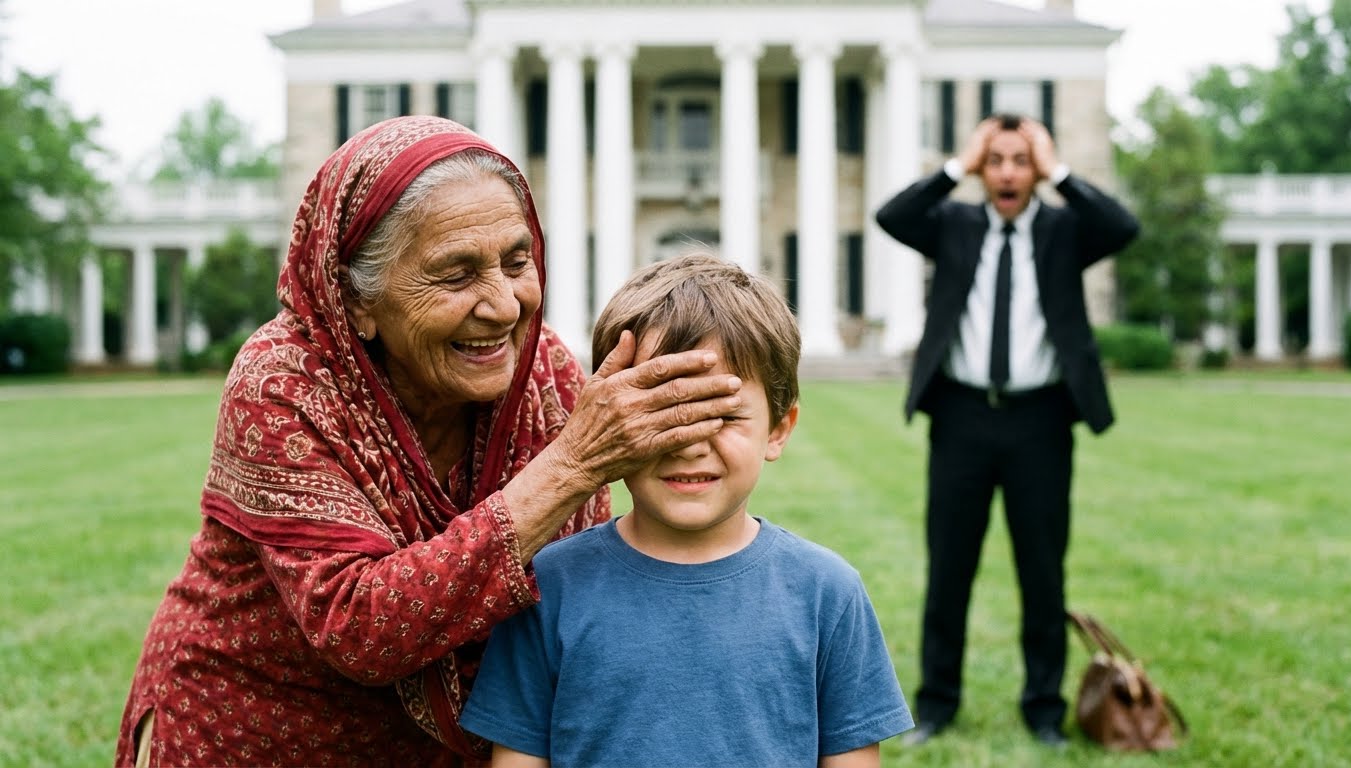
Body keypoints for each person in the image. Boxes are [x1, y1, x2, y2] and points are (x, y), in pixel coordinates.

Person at [114, 116, 746, 767]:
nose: (502, 305)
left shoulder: (545, 374)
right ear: (355, 299)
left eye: (517, 261)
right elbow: (359, 627)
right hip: (253, 733)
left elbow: (569, 602)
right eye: (456, 274)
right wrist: (572, 466)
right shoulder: (285, 380)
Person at [458, 253, 914, 767]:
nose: (690, 444)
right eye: (662, 412)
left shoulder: (827, 593)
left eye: (721, 415)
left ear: (779, 428)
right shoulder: (546, 587)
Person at [874, 114, 1139, 746]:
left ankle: (1043, 710)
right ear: (982, 169)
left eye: (1021, 161)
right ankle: (937, 704)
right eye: (997, 161)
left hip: (1041, 420)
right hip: (961, 416)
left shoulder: (1064, 229)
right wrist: (956, 165)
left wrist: (1059, 173)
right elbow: (892, 216)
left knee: (1042, 570)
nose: (1009, 172)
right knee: (949, 568)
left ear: (1037, 169)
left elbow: (1123, 227)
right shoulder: (955, 224)